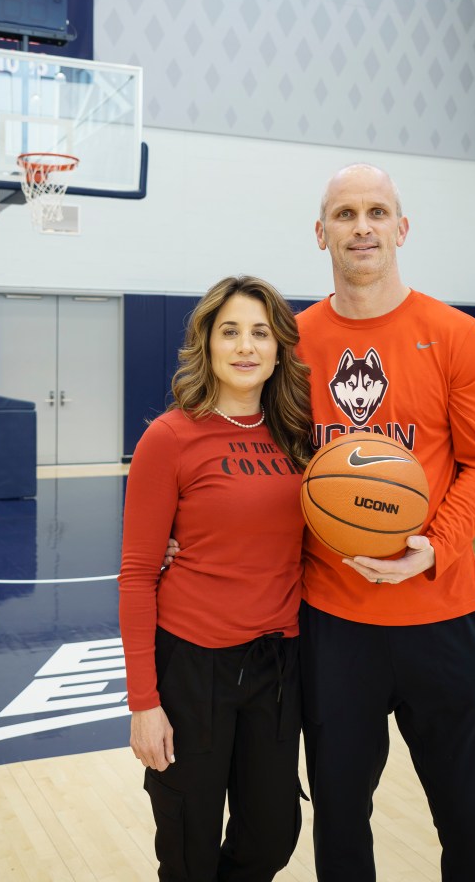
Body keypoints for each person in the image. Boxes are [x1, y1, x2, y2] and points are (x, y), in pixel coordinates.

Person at [296, 163, 475, 881]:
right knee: (339, 825)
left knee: (470, 829)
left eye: (377, 212)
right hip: (333, 625)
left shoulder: (455, 335)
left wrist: (432, 548)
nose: (362, 226)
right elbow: (260, 464)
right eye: (345, 213)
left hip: (444, 619)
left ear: (401, 228)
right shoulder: (289, 345)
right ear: (319, 231)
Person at [118, 275, 314, 882]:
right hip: (193, 665)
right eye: (230, 331)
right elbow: (135, 576)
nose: (246, 346)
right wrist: (144, 704)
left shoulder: (298, 438)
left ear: (280, 348)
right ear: (205, 343)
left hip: (276, 665)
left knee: (273, 834)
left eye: (260, 332)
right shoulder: (170, 436)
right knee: (188, 843)